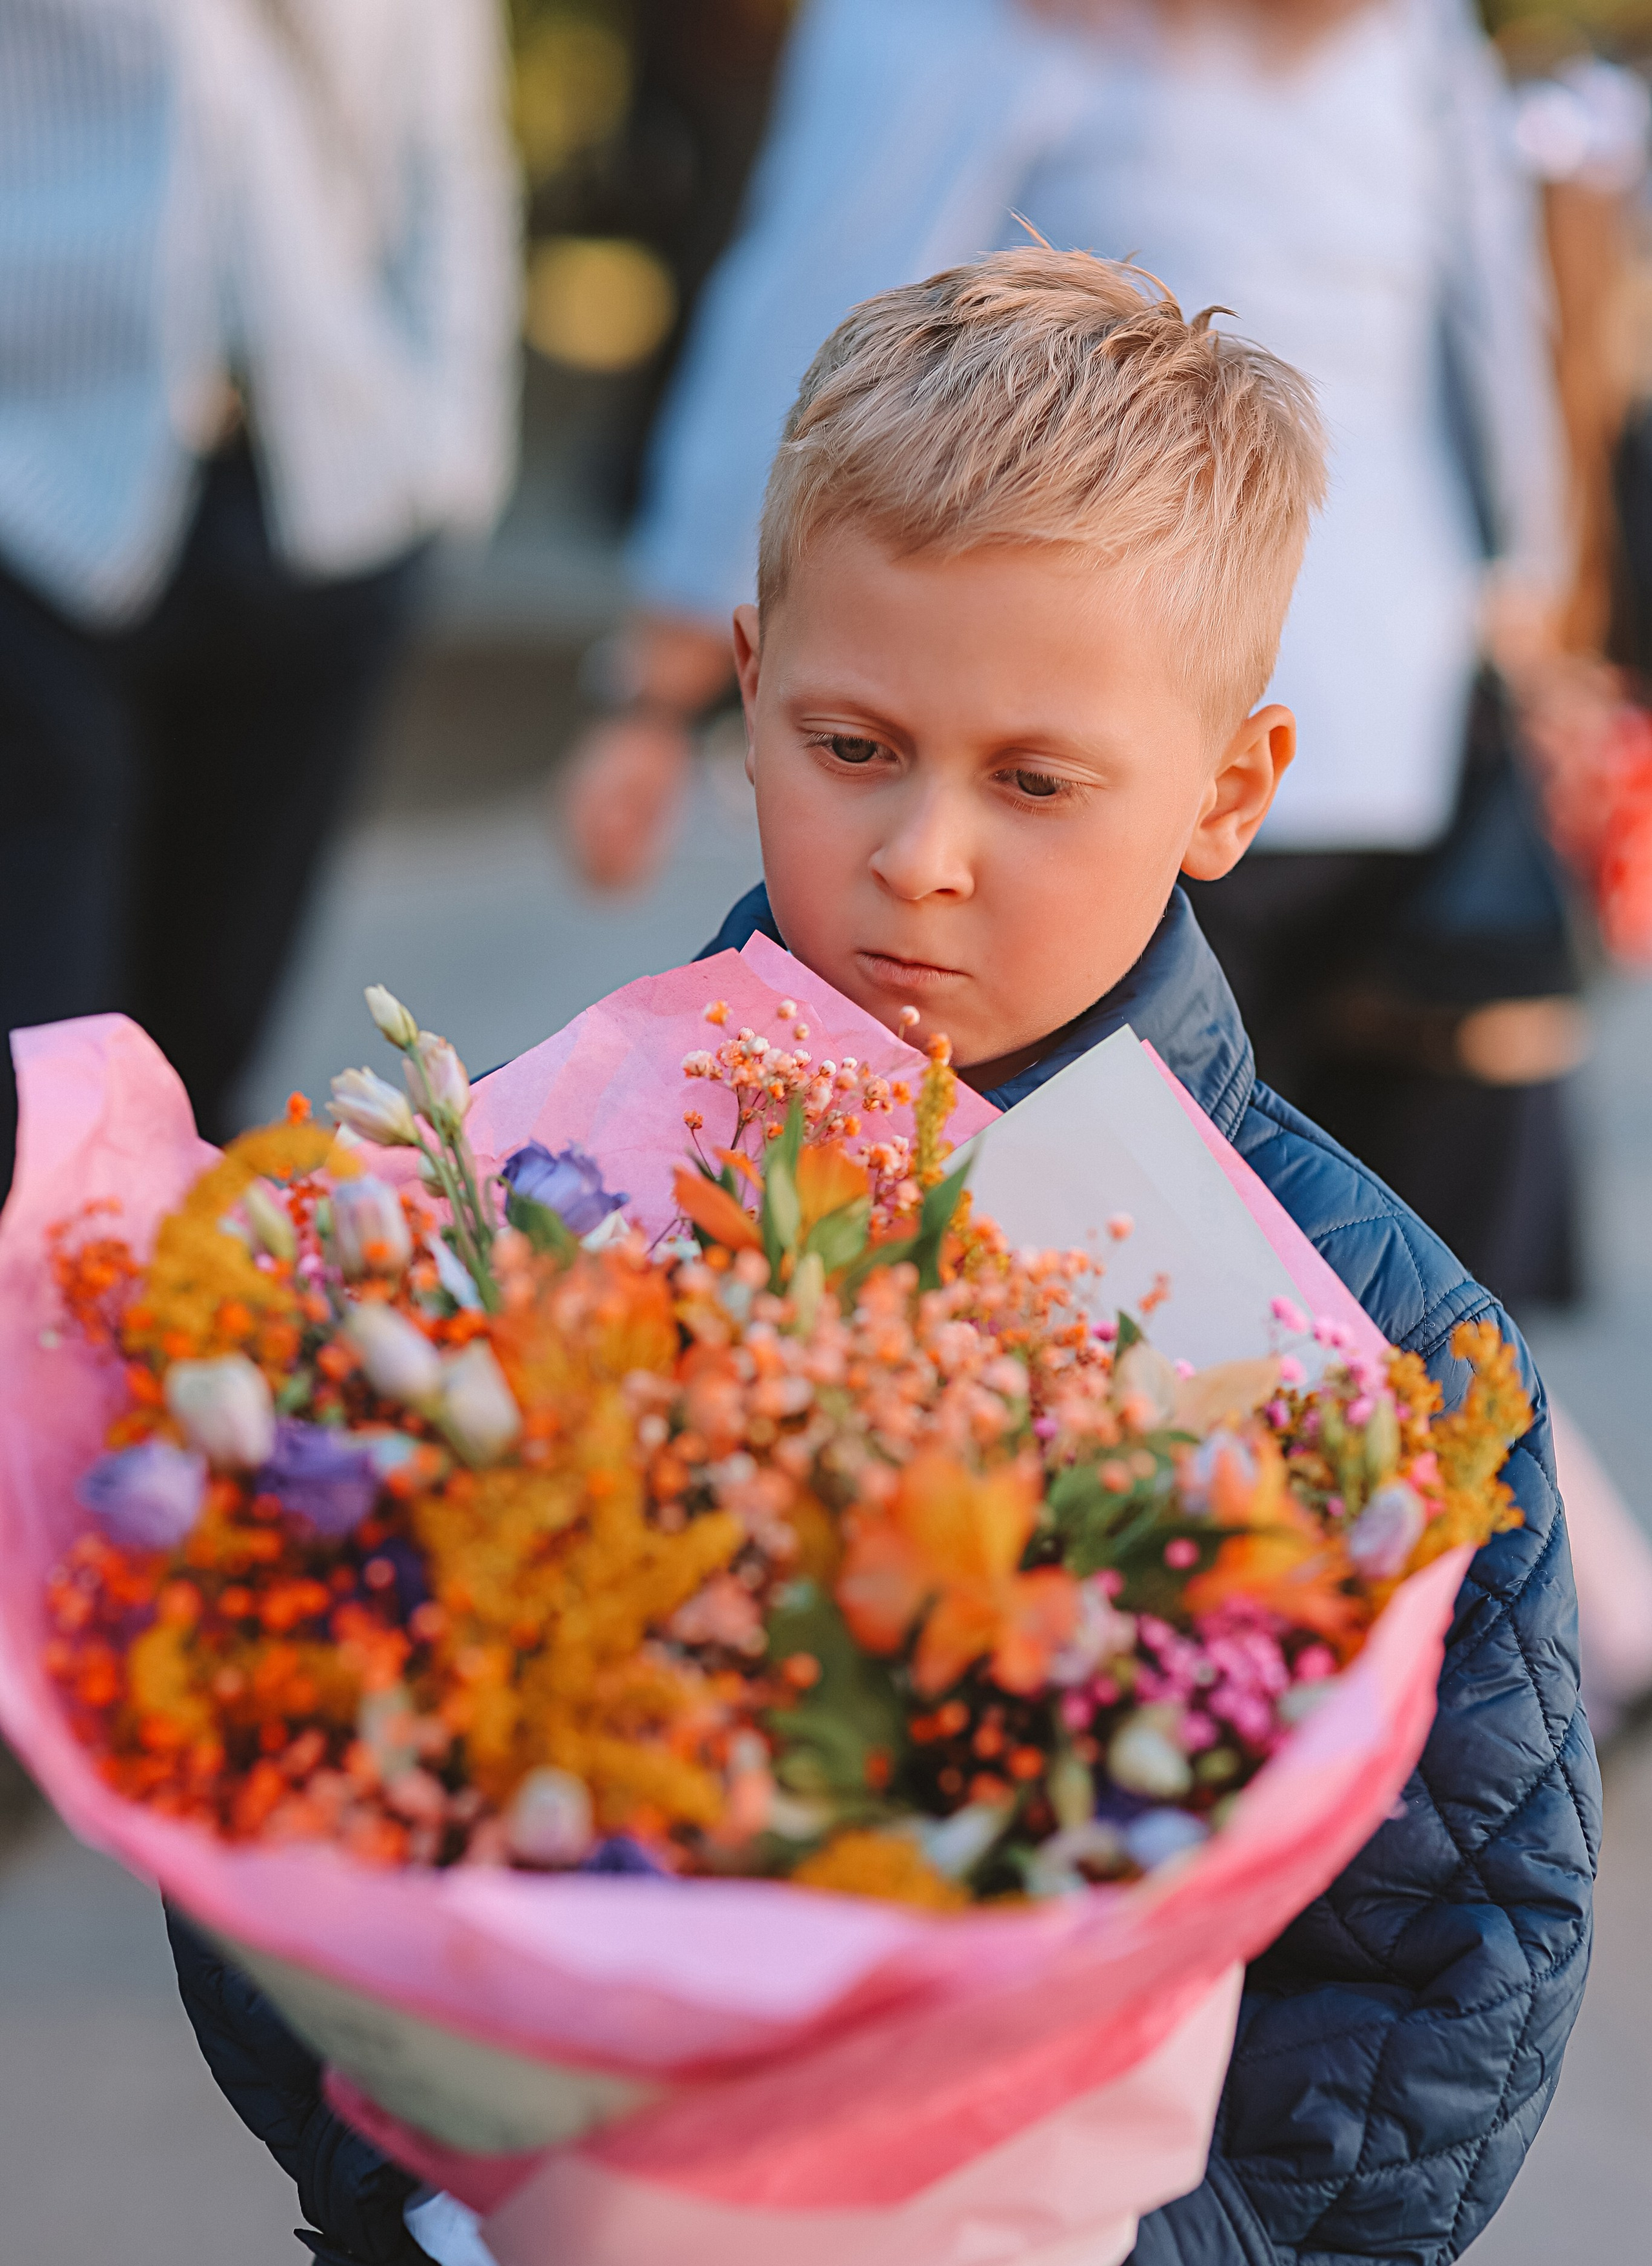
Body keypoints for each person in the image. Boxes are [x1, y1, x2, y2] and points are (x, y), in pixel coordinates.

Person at [168, 254, 1595, 2266]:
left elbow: (1460, 1949)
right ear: (749, 688)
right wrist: (500, 2251)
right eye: (852, 748)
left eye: (1038, 781)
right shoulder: (507, 1210)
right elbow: (252, 1782)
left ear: (1232, 788)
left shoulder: (1357, 1337)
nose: (920, 858)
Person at [559, 0, 1582, 1308]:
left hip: (1073, 697)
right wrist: (1526, 604)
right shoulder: (1404, 29)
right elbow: (1494, 337)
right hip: (1365, 706)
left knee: (1241, 1281)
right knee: (1331, 1290)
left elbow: (811, 293)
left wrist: (653, 691)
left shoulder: (963, 19)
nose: (916, 860)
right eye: (842, 751)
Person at [0, 0, 519, 1178]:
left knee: (204, 1058)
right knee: (37, 1074)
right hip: (34, 490)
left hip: (323, 496)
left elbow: (447, 145)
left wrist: (445, 460)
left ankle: (156, 1346)